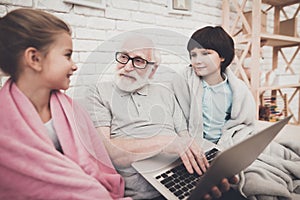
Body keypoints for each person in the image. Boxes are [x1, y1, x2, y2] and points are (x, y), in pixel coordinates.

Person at [83, 34, 238, 200]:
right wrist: (165, 142)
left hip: (183, 177)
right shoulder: (98, 92)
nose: (127, 66)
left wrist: (202, 170)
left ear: (153, 70)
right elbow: (109, 152)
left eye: (139, 61)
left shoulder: (165, 92)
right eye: (123, 57)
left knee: (232, 193)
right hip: (147, 193)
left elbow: (185, 138)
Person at [0, 8, 130, 200]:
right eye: (67, 55)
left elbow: (98, 165)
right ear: (35, 59)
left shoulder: (71, 109)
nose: (74, 65)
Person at [171, 26, 256, 199]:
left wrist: (228, 147)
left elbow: (244, 124)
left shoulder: (237, 89)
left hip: (222, 149)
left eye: (206, 53)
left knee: (250, 183)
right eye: (193, 55)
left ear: (222, 57)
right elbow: (174, 114)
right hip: (196, 148)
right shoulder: (183, 81)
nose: (197, 60)